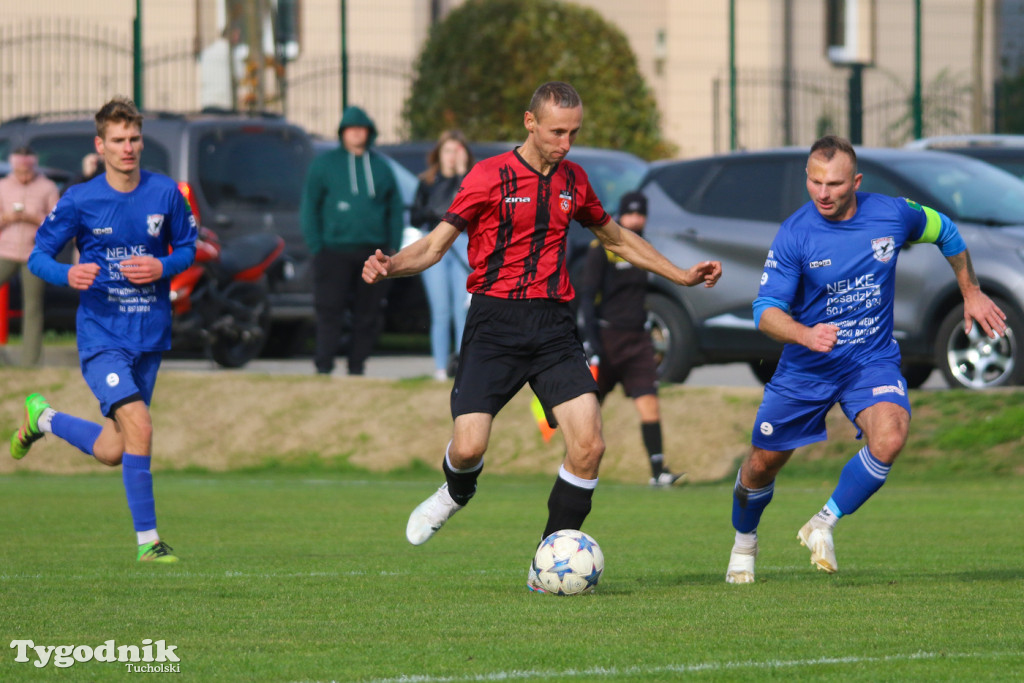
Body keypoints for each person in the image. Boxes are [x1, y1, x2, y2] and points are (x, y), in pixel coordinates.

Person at [362, 81, 722, 591]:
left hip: (553, 327)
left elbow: (617, 237)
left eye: (574, 132)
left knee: (590, 445)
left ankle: (546, 563)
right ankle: (454, 493)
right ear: (530, 123)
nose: (566, 143)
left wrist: (681, 274)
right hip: (494, 324)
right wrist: (391, 264)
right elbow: (436, 247)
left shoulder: (575, 180)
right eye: (557, 131)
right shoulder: (488, 176)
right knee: (468, 448)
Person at [725, 134, 1007, 584]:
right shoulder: (796, 233)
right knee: (761, 464)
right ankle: (744, 544)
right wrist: (805, 333)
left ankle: (823, 522)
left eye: (834, 184)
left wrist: (971, 292)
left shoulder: (892, 214)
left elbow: (947, 232)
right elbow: (765, 312)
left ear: (855, 181)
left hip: (869, 361)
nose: (823, 193)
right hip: (806, 367)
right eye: (815, 182)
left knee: (891, 436)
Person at [9, 96, 198, 563]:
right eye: (118, 140)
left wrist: (163, 264)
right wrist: (66, 275)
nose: (128, 147)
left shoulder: (166, 193)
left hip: (150, 335)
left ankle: (43, 418)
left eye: (134, 139)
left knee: (115, 448)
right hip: (101, 337)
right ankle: (149, 543)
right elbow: (37, 256)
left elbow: (191, 247)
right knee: (141, 425)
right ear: (102, 145)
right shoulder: (81, 199)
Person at [577, 190, 683, 488]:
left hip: (638, 340)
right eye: (630, 213)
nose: (635, 219)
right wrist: (590, 338)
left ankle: (658, 471)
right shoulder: (603, 248)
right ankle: (574, 466)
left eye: (640, 214)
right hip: (607, 339)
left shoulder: (645, 250)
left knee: (649, 404)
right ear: (620, 216)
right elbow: (587, 296)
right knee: (588, 412)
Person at [300, 105, 404, 375]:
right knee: (328, 310)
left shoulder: (381, 167)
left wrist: (393, 246)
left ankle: (357, 365)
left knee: (367, 313)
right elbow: (310, 206)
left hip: (372, 252)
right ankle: (324, 365)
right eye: (351, 129)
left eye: (361, 129)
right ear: (342, 133)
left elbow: (394, 208)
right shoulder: (325, 165)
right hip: (333, 251)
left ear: (369, 133)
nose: (356, 133)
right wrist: (317, 247)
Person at [409, 130, 475, 381]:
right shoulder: (427, 182)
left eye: (457, 151)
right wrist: (432, 212)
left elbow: (469, 207)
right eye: (448, 151)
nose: (451, 157)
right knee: (440, 310)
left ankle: (462, 365)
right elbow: (416, 216)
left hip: (463, 244)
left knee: (462, 309)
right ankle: (439, 368)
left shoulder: (471, 179)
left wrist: (461, 175)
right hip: (435, 243)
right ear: (439, 153)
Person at [0, 147, 60, 366]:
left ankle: (30, 362)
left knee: (33, 306)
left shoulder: (47, 187)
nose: (23, 174)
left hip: (34, 252)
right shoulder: (3, 186)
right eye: (19, 170)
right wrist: (8, 217)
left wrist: (34, 218)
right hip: (4, 250)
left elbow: (56, 224)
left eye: (27, 169)